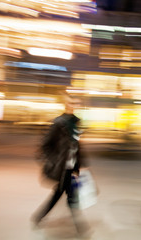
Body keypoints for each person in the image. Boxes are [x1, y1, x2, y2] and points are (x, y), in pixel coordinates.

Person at [31, 93, 88, 235]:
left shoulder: (75, 123)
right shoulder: (59, 123)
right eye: (70, 103)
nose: (73, 105)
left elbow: (77, 147)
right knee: (70, 198)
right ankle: (80, 229)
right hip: (62, 168)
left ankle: (38, 217)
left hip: (70, 167)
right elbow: (45, 145)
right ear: (65, 105)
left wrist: (81, 164)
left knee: (59, 195)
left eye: (75, 103)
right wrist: (55, 161)